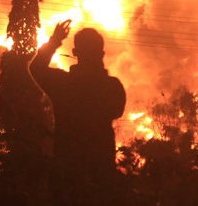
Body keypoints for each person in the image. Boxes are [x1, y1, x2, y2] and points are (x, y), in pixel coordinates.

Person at [29, 20, 126, 177]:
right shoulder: (113, 87)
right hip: (100, 171)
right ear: (101, 54)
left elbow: (36, 68)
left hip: (67, 170)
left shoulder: (63, 84)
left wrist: (54, 41)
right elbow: (117, 111)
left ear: (75, 52)